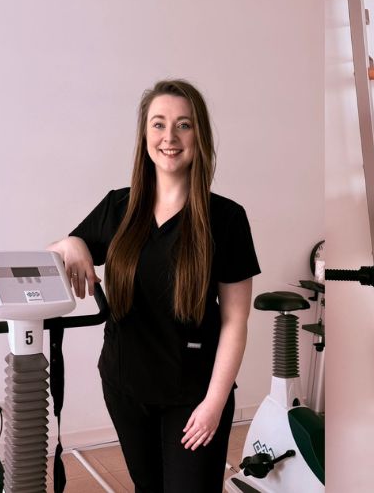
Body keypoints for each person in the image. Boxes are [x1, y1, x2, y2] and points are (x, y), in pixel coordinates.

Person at [50, 79, 258, 493]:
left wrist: (215, 404)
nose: (170, 137)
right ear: (145, 135)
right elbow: (54, 254)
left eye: (184, 125)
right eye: (159, 124)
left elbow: (236, 320)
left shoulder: (226, 219)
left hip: (194, 394)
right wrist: (71, 242)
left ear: (200, 136)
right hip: (125, 388)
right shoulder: (119, 207)